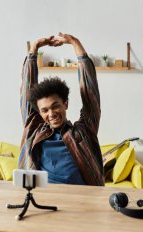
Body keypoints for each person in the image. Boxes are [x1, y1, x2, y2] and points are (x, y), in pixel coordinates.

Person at [19, 33, 104, 186]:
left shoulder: (83, 132)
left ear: (65, 103)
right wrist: (33, 50)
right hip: (45, 198)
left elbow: (91, 95)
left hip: (82, 200)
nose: (51, 114)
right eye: (44, 110)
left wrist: (75, 43)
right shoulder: (34, 130)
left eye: (55, 106)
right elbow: (27, 89)